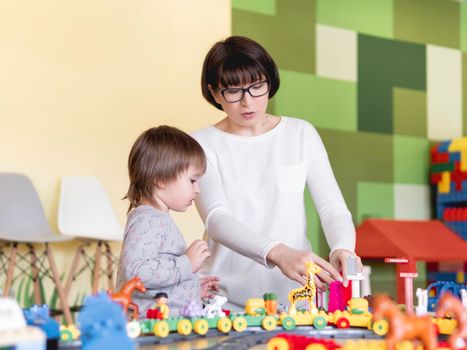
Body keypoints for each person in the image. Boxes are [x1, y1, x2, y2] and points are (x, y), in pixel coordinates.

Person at [193, 36, 362, 310]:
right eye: (233, 91)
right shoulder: (201, 144)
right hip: (223, 299)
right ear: (214, 93)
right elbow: (217, 219)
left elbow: (332, 208)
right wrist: (278, 253)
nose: (247, 102)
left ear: (269, 82)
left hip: (296, 298)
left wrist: (342, 247)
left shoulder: (300, 134)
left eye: (257, 87)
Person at [116, 126, 220, 317]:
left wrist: (191, 289)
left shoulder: (157, 218)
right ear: (160, 180)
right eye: (192, 180)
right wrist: (187, 263)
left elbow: (154, 280)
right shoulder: (146, 220)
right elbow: (137, 272)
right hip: (149, 328)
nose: (197, 190)